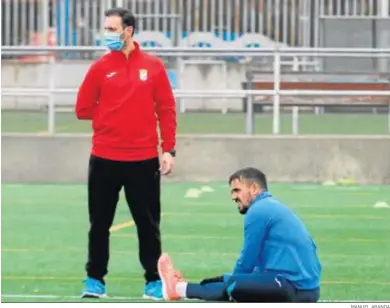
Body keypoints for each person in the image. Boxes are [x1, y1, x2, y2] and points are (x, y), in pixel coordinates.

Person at [75, 7, 176, 300]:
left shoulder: (154, 67)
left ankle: (153, 281)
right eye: (105, 28)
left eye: (111, 29)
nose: (106, 34)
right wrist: (110, 114)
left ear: (127, 30)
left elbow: (166, 110)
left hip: (143, 160)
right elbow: (82, 109)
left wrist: (168, 149)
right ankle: (95, 280)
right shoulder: (99, 68)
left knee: (148, 225)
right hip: (104, 158)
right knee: (99, 224)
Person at [157, 167, 322, 303]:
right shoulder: (270, 206)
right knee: (226, 281)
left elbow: (247, 261)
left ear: (254, 189)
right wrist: (222, 280)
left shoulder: (258, 211)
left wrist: (234, 284)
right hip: (302, 288)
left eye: (237, 190)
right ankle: (182, 286)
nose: (233, 197)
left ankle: (177, 289)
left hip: (294, 289)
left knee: (234, 285)